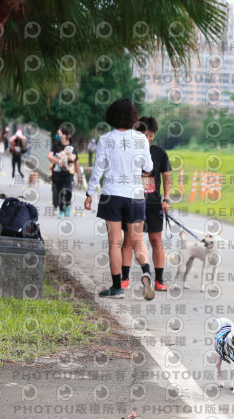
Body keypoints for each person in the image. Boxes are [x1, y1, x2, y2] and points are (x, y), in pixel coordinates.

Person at [84, 98, 155, 300]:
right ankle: (146, 272)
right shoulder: (141, 139)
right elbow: (148, 168)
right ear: (133, 116)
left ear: (111, 116)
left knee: (115, 243)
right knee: (137, 241)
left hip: (112, 196)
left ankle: (117, 288)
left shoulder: (106, 139)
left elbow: (98, 169)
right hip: (135, 196)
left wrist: (89, 194)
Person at [120, 116, 171, 292]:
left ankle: (159, 280)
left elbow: (166, 178)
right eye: (145, 134)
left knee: (156, 241)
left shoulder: (160, 153)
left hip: (154, 204)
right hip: (133, 202)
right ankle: (124, 278)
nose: (148, 138)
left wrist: (166, 199)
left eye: (150, 135)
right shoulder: (129, 153)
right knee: (129, 241)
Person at [48, 128, 81, 218]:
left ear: (65, 135)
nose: (57, 135)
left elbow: (74, 158)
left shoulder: (72, 146)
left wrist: (79, 176)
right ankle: (61, 210)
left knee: (68, 190)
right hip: (57, 172)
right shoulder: (56, 146)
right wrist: (58, 161)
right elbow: (49, 156)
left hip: (68, 172)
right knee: (59, 192)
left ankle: (67, 206)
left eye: (59, 134)